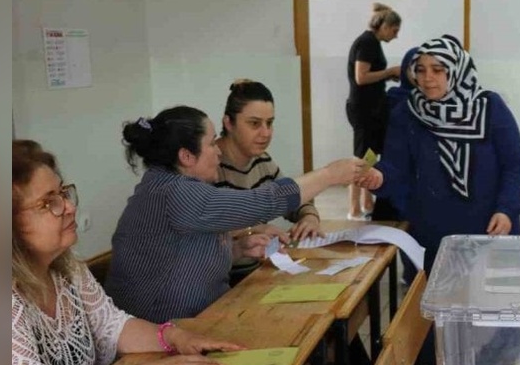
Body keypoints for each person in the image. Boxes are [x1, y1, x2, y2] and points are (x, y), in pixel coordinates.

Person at [11, 140, 238, 365]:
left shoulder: (66, 268)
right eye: (48, 202)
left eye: (63, 193)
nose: (69, 206)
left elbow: (112, 325)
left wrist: (172, 337)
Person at [106, 105, 365, 322]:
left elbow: (178, 257)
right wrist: (330, 174)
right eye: (210, 144)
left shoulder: (167, 185)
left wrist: (237, 249)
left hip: (195, 320)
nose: (218, 150)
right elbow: (261, 202)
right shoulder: (175, 193)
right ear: (186, 156)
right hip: (164, 331)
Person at [358, 34, 520, 273]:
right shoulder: (406, 113)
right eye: (421, 69)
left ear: (456, 70)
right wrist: (379, 177)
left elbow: (514, 164)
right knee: (432, 304)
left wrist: (507, 209)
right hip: (432, 233)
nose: (428, 78)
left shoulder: (489, 107)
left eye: (438, 70)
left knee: (494, 301)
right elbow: (395, 166)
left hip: (489, 226)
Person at [216, 79, 320, 283]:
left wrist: (309, 218)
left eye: (269, 123)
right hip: (219, 283)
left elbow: (294, 200)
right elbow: (202, 236)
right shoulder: (208, 166)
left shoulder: (262, 160)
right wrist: (251, 230)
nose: (266, 133)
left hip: (254, 273)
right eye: (254, 124)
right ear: (229, 123)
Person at [346, 2, 401, 220]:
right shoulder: (367, 43)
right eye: (395, 31)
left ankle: (366, 201)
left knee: (369, 157)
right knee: (361, 158)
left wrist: (388, 75)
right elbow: (362, 77)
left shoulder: (372, 43)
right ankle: (354, 207)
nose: (396, 36)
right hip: (364, 111)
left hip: (372, 111)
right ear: (385, 26)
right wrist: (389, 72)